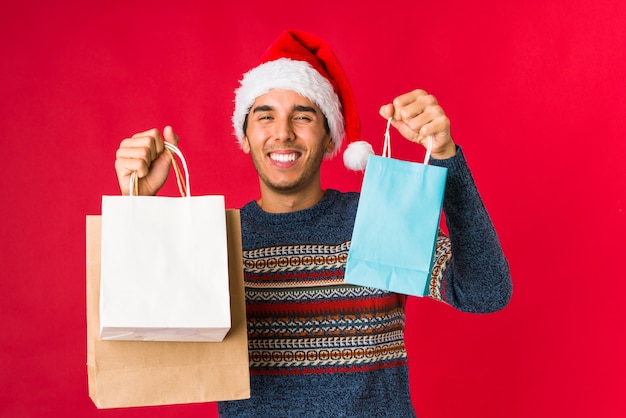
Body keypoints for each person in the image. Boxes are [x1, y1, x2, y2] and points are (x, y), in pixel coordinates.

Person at [114, 30, 512, 417]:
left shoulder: (376, 219)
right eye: (265, 116)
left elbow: (485, 291)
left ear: (328, 137)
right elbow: (149, 344)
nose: (282, 133)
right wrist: (139, 210)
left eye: (302, 116)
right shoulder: (215, 244)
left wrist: (446, 158)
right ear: (245, 135)